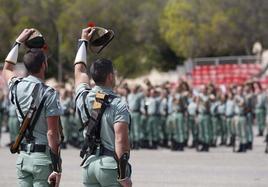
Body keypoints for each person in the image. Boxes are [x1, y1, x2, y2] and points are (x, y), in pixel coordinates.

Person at [2, 28, 62, 187]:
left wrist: (18, 42)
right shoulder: (49, 93)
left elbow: (7, 68)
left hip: (23, 158)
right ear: (44, 65)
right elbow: (52, 133)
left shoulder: (16, 87)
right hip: (42, 160)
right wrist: (57, 167)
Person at [74, 27, 132, 187]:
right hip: (110, 166)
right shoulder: (119, 103)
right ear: (110, 77)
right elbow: (121, 140)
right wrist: (122, 175)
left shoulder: (83, 96)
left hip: (89, 164)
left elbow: (79, 70)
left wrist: (83, 41)